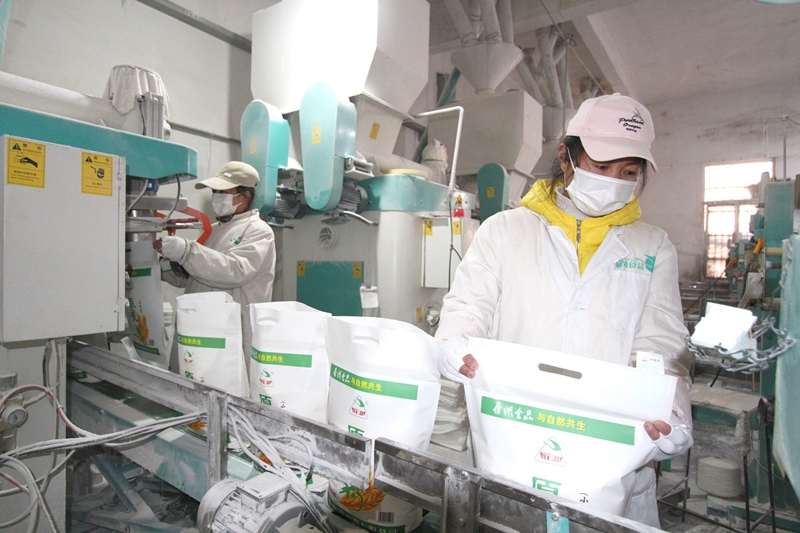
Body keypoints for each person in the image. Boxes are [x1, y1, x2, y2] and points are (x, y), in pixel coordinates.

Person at [435, 94, 692, 527]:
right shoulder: (505, 230)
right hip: (512, 437)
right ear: (566, 158)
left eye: (629, 172)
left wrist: (671, 405)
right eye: (602, 166)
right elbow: (468, 304)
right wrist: (454, 340)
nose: (615, 181)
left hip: (608, 450)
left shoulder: (653, 247)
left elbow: (661, 341)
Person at [155, 161, 276, 371]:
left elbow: (235, 271)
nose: (216, 197)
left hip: (230, 329)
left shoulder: (258, 230)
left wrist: (186, 251)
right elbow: (194, 277)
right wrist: (164, 267)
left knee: (225, 382)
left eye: (223, 192)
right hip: (200, 325)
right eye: (215, 192)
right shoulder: (214, 229)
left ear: (245, 196)